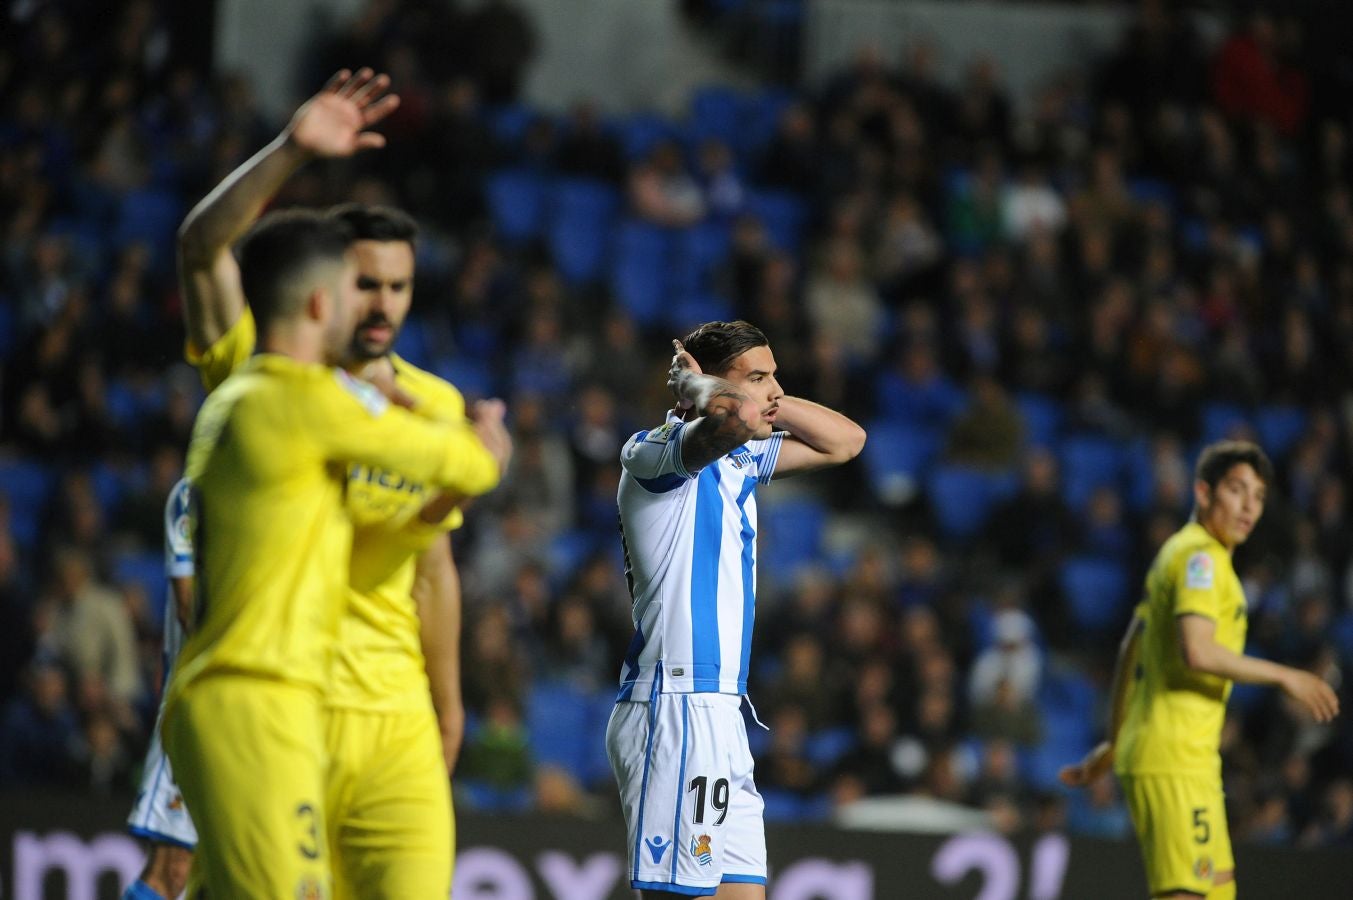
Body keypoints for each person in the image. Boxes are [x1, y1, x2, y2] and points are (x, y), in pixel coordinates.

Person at [177, 69, 488, 898]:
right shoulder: (266, 372)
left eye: (400, 286)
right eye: (366, 285)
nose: (382, 305)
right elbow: (203, 249)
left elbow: (433, 563)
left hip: (390, 710)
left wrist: (448, 703)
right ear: (323, 289)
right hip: (279, 698)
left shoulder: (431, 403)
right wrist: (290, 154)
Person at [606, 321, 866, 898]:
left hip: (723, 713)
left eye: (775, 374)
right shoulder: (651, 456)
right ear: (702, 385)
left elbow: (846, 442)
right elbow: (735, 419)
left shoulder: (743, 460)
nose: (774, 389)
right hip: (674, 704)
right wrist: (704, 392)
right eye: (757, 375)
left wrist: (766, 394)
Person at [1060, 440, 1339, 900]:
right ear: (1203, 492)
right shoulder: (1200, 560)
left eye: (1259, 496)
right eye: (1236, 490)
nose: (1249, 505)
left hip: (1190, 760)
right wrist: (1287, 675)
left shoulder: (1191, 555)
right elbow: (1198, 652)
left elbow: (1133, 644)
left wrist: (1116, 739)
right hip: (1173, 759)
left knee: (1219, 894)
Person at [121, 479, 196, 900]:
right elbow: (188, 607)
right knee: (173, 871)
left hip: (271, 716)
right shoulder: (196, 493)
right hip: (197, 711)